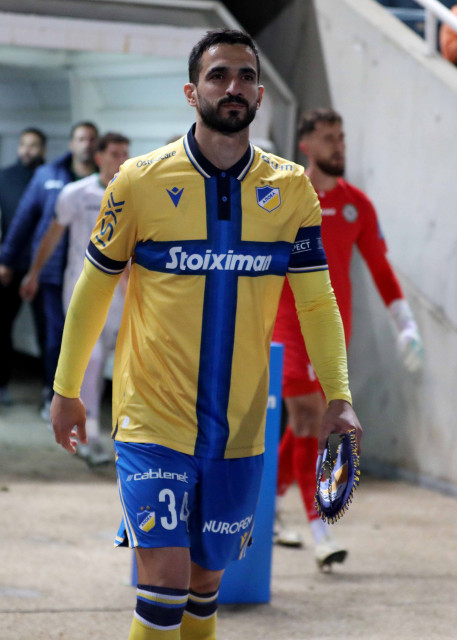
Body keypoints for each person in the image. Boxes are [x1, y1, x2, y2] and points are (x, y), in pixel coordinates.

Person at [50, 30, 362, 640]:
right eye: (218, 75)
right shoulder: (137, 181)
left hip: (240, 427)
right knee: (163, 584)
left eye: (245, 76)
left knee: (203, 586)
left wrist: (338, 394)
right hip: (152, 420)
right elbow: (92, 290)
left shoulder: (292, 188)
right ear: (192, 92)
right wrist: (66, 388)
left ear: (261, 95)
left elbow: (316, 300)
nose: (233, 86)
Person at [272, 108, 423, 567]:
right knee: (307, 419)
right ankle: (320, 529)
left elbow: (379, 267)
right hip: (287, 327)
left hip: (333, 334)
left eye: (341, 137)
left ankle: (269, 501)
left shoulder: (358, 205)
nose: (339, 146)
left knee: (303, 425)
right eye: (328, 138)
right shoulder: (286, 195)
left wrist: (406, 324)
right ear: (305, 145)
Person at [20, 132, 130, 465]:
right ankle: (89, 438)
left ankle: (122, 437)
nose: (121, 160)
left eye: (125, 153)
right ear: (99, 157)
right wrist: (34, 273)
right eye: (114, 153)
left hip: (122, 296)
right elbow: (52, 235)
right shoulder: (76, 193)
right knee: (92, 363)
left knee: (119, 366)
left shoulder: (134, 192)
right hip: (82, 291)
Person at [0, 121, 98, 418]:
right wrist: (7, 260)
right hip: (53, 273)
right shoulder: (48, 176)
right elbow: (24, 220)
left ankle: (82, 398)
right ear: (71, 144)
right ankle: (52, 394)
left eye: (91, 139)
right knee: (54, 337)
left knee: (87, 340)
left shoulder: (107, 179)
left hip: (90, 274)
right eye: (80, 138)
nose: (86, 144)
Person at [0, 128, 47, 405]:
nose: (28, 150)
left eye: (34, 145)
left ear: (43, 148)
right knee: (2, 324)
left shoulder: (51, 177)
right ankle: (2, 384)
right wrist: (3, 261)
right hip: (11, 266)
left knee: (49, 331)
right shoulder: (5, 177)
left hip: (43, 269)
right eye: (24, 144)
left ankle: (50, 390)